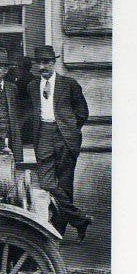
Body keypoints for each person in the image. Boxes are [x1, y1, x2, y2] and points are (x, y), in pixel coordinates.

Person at [26, 45, 93, 240]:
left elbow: (82, 113)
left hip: (65, 136)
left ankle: (59, 230)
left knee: (64, 184)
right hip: (43, 135)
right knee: (47, 182)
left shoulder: (69, 84)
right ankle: (80, 220)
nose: (43, 66)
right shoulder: (31, 86)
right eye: (39, 62)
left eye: (47, 62)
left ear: (53, 63)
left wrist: (70, 130)